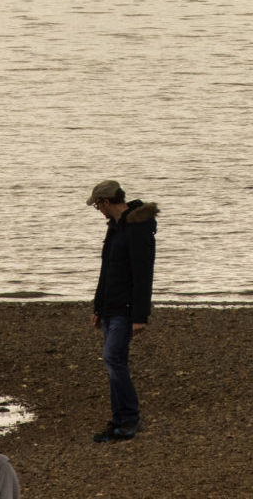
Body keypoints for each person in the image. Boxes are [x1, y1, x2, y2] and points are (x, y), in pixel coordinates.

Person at [88, 179, 157, 440]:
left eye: (98, 205)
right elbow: (107, 270)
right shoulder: (115, 227)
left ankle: (129, 418)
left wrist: (140, 316)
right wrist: (98, 306)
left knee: (114, 359)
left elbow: (143, 274)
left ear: (107, 202)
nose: (98, 210)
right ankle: (119, 419)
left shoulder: (137, 228)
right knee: (113, 361)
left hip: (126, 309)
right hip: (110, 307)